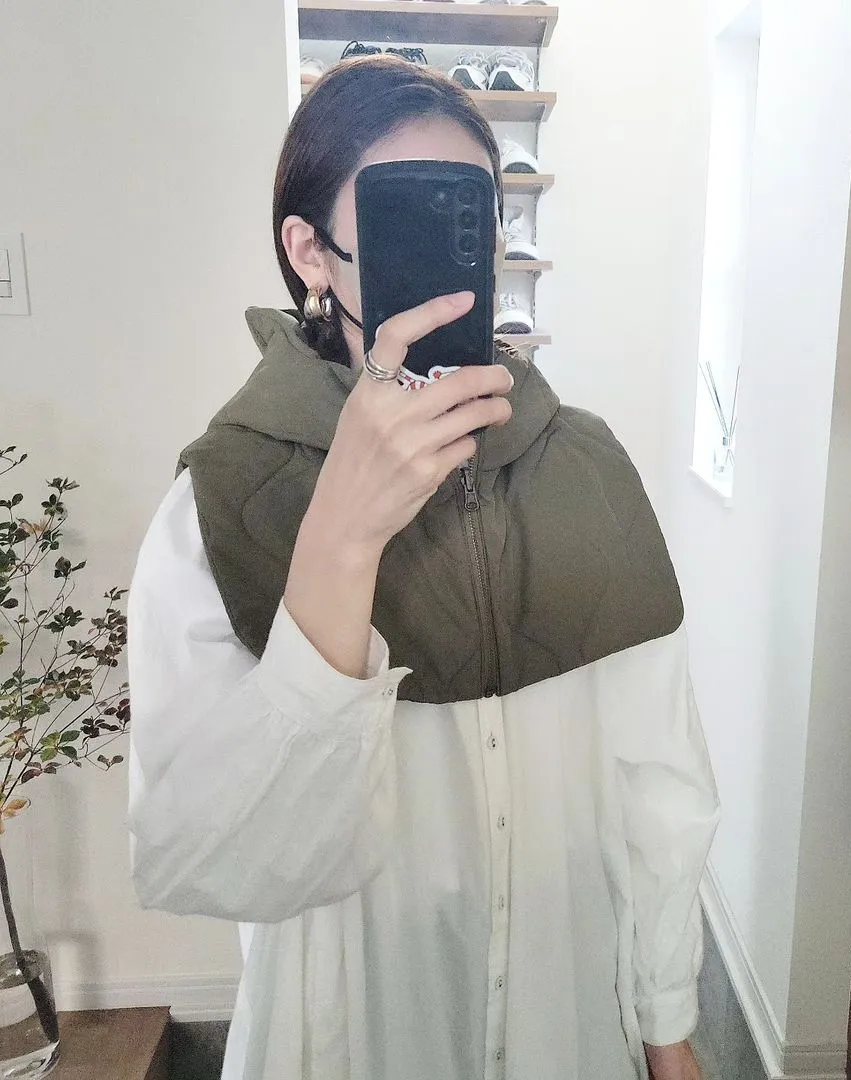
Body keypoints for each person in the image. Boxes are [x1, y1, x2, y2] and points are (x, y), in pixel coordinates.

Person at [128, 56, 719, 1080]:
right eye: (404, 218)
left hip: (569, 1014)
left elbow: (659, 781)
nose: (449, 266)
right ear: (310, 251)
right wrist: (342, 536)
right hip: (349, 1030)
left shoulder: (584, 466)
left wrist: (668, 1024)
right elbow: (211, 856)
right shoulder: (217, 503)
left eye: (469, 219)